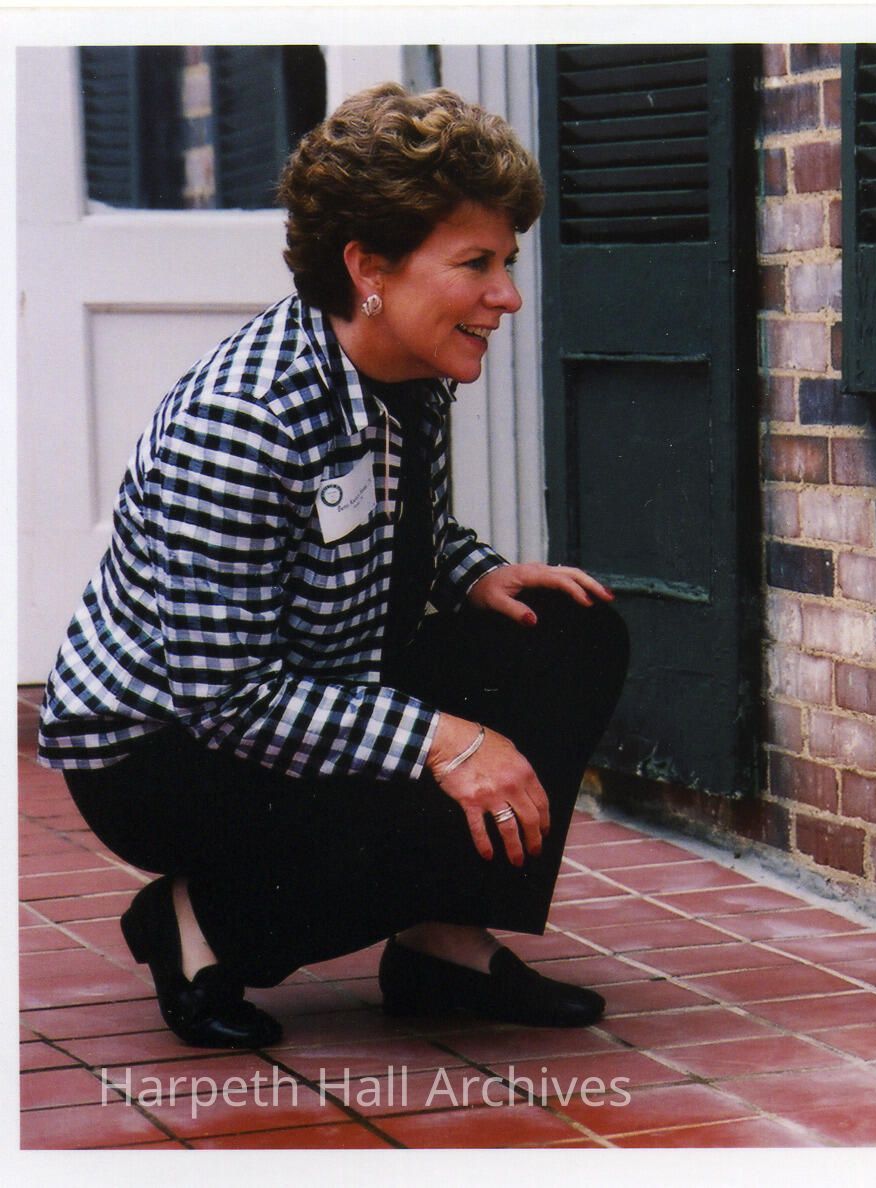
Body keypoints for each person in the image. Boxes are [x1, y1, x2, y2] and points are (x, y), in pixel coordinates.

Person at [36, 86, 631, 1050]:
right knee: (439, 770)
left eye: (508, 263)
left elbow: (392, 526)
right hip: (167, 753)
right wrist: (441, 739)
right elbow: (226, 697)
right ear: (369, 267)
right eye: (475, 264)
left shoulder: (407, 368)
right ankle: (196, 925)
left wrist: (472, 572)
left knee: (566, 632)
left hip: (319, 685)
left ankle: (441, 944)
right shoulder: (240, 421)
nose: (508, 297)